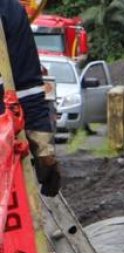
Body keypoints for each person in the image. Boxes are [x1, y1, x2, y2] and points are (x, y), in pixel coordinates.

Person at [2, 0, 60, 197]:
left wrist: (44, 152)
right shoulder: (10, 10)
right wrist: (44, 151)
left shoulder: (8, 11)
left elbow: (28, 88)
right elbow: (28, 87)